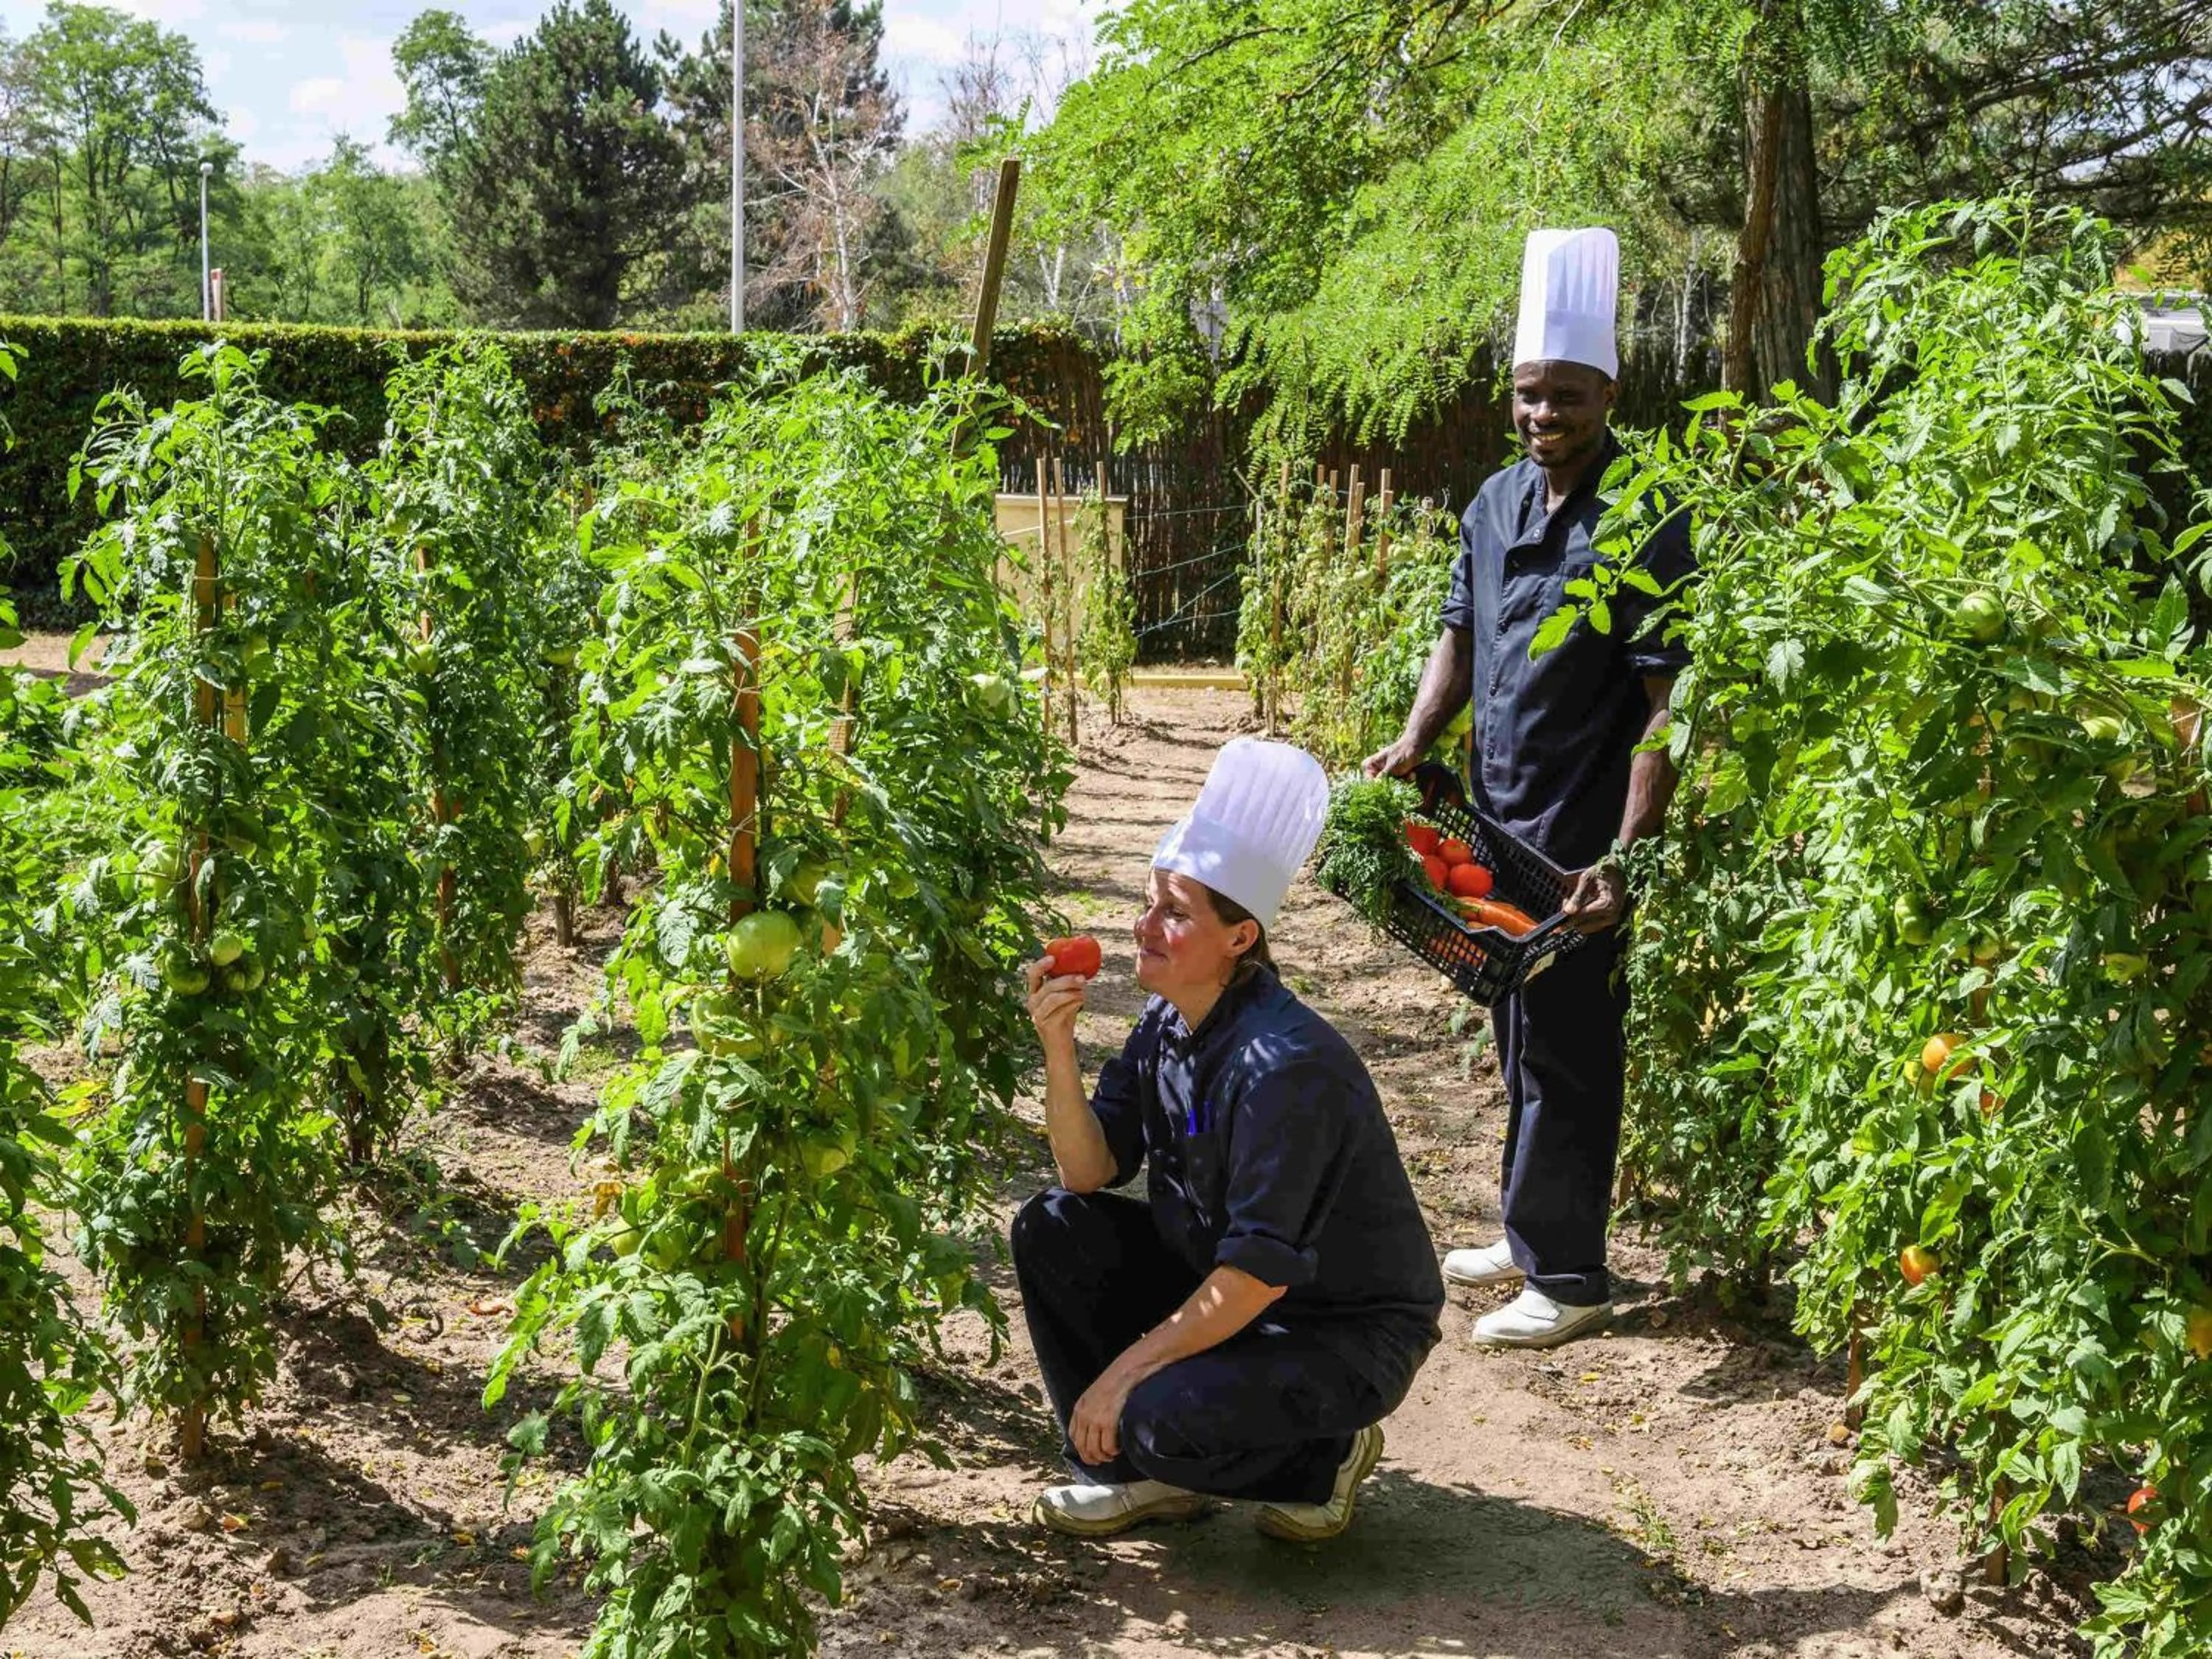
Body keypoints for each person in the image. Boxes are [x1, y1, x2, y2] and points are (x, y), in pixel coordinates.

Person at [1364, 227, 1692, 1350]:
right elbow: (1457, 638)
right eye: (1527, 394)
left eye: (1565, 395)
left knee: (1568, 1045)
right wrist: (1416, 737)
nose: (1543, 414)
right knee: (1516, 1026)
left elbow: (1665, 701)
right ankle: (1528, 1227)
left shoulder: (1647, 511)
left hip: (1581, 833)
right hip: (1495, 814)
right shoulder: (1497, 501)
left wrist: (1627, 853)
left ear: (1609, 390)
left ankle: (1570, 1274)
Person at [1011, 737, 1444, 1541]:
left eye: (1174, 912)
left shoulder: (1286, 1068)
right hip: (1229, 1283)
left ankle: (1328, 1457)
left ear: (1241, 939)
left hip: (1338, 1330)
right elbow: (1086, 1171)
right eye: (1149, 902)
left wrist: (1121, 1375)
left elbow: (1254, 1278)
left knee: (1153, 1417)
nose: (1143, 927)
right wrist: (1059, 1051)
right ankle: (1133, 1481)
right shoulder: (1167, 1024)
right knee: (1051, 1226)